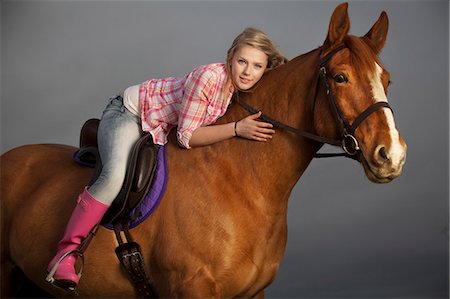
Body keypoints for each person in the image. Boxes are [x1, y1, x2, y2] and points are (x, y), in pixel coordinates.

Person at [46, 27, 288, 289]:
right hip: (131, 114)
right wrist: (236, 128)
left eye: (257, 66)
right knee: (115, 175)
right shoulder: (208, 77)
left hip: (160, 126)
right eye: (242, 61)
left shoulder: (241, 87)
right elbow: (186, 137)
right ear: (230, 58)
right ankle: (65, 254)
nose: (247, 72)